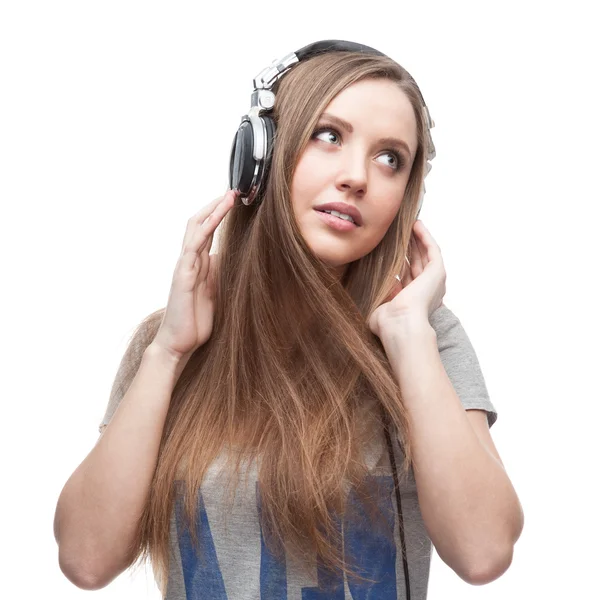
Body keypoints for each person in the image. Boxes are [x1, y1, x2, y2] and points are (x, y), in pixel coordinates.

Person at [53, 40, 524, 599]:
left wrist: (407, 338)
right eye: (329, 136)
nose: (357, 177)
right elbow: (85, 560)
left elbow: (483, 551)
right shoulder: (171, 344)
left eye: (390, 158)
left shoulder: (426, 341)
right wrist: (169, 352)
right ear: (260, 154)